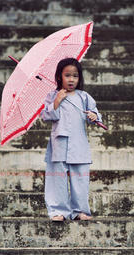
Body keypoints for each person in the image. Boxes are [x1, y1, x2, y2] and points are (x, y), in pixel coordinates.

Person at [40, 57, 102, 221]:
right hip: (58, 144)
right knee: (57, 179)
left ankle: (80, 210)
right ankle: (57, 211)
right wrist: (57, 101)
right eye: (68, 75)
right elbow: (45, 115)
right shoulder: (52, 95)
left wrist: (93, 115)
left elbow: (95, 115)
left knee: (80, 179)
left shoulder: (84, 97)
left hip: (78, 144)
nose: (71, 79)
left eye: (75, 76)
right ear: (60, 76)